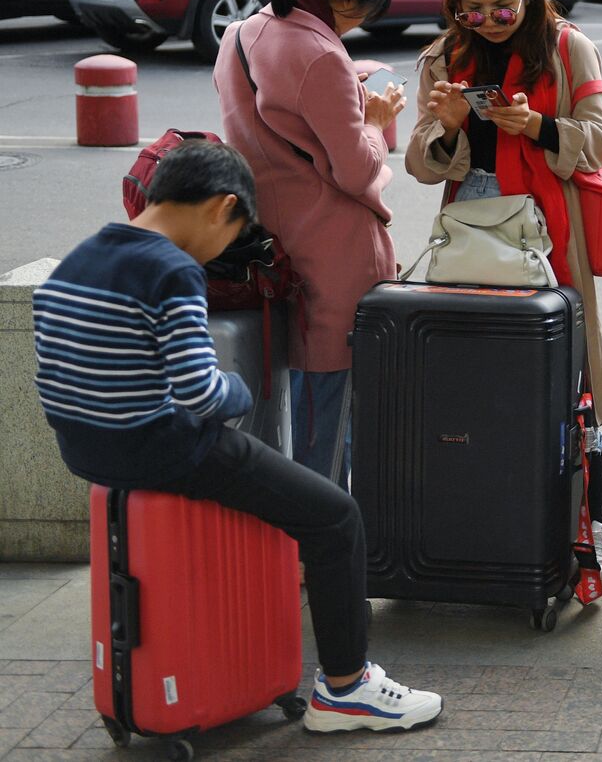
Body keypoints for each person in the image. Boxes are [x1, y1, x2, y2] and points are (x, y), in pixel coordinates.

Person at [32, 142, 442, 733]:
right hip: (164, 449)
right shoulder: (171, 269)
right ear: (222, 208)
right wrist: (242, 389)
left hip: (86, 451)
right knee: (335, 517)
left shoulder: (79, 258)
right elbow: (202, 393)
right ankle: (347, 689)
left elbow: (51, 375)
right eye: (233, 234)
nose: (223, 250)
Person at [406, 0, 602, 587]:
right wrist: (445, 127)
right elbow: (420, 164)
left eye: (502, 7)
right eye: (471, 9)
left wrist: (536, 127)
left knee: (573, 383)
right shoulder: (444, 54)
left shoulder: (567, 47)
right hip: (470, 243)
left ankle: (596, 524)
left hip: (551, 240)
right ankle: (486, 519)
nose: (488, 22)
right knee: (480, 386)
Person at [214, 0, 404, 488]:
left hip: (271, 241)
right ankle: (319, 544)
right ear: (347, 2)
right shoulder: (323, 55)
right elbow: (356, 171)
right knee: (332, 405)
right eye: (364, 14)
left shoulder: (242, 33)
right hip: (334, 250)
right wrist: (374, 119)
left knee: (292, 403)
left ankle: (298, 538)